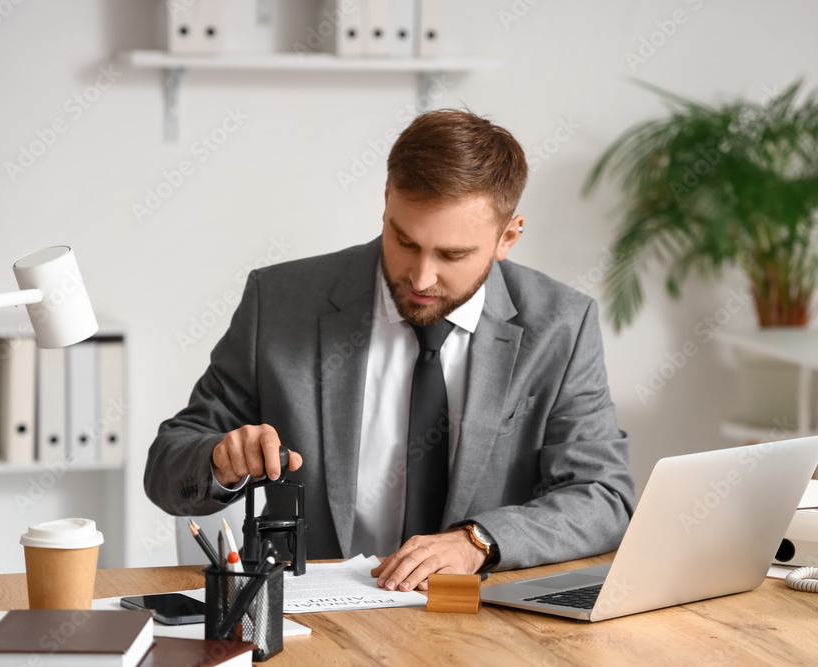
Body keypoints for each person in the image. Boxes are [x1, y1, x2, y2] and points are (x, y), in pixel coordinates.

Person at [144, 109, 635, 593]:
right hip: (312, 621)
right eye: (404, 240)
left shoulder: (562, 325)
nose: (421, 278)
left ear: (507, 237)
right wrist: (219, 461)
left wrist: (478, 541)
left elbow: (603, 495)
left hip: (479, 623)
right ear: (386, 200)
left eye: (452, 255)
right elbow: (167, 466)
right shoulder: (280, 302)